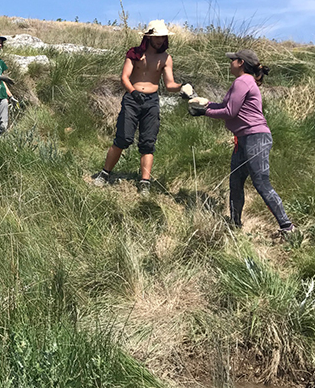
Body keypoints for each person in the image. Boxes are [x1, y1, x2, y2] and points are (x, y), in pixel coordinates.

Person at [189, 49, 294, 234]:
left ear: (240, 63)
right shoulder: (244, 82)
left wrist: (203, 112)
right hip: (246, 138)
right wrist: (202, 104)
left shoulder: (242, 81)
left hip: (255, 138)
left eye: (233, 60)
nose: (230, 63)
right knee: (236, 182)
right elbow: (223, 106)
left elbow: (230, 112)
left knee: (261, 183)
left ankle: (288, 228)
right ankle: (235, 224)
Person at [93, 20, 193, 193]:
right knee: (123, 138)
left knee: (148, 142)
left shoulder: (166, 58)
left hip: (151, 101)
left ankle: (144, 182)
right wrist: (133, 92)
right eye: (157, 37)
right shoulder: (135, 53)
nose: (160, 40)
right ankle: (105, 173)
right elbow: (124, 77)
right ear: (148, 36)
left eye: (163, 37)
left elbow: (169, 84)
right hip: (132, 99)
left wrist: (182, 87)